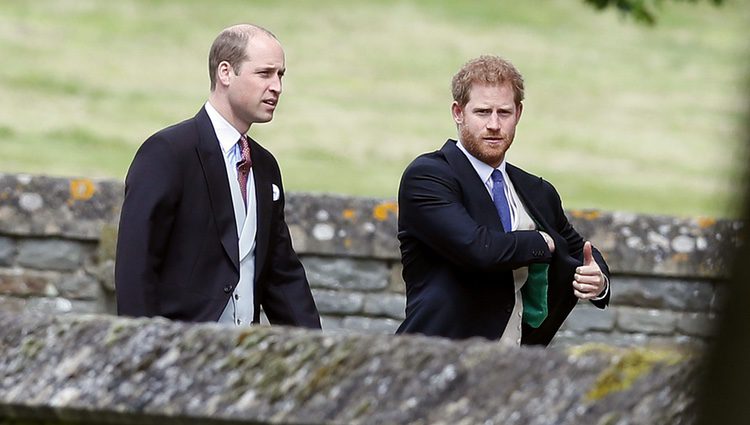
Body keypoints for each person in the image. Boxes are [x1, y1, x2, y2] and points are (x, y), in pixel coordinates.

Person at [115, 24, 321, 329]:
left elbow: (282, 275)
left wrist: (316, 354)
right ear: (226, 73)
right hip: (174, 356)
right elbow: (136, 265)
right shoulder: (168, 153)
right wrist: (142, 354)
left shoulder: (264, 167)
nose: (277, 86)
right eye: (265, 74)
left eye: (281, 75)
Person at [395, 55, 610, 345]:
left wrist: (598, 280)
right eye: (483, 112)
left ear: (518, 113)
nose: (494, 124)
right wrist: (541, 243)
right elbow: (478, 249)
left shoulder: (537, 190)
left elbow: (578, 249)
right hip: (436, 356)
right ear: (458, 112)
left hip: (516, 364)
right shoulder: (429, 177)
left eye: (504, 113)